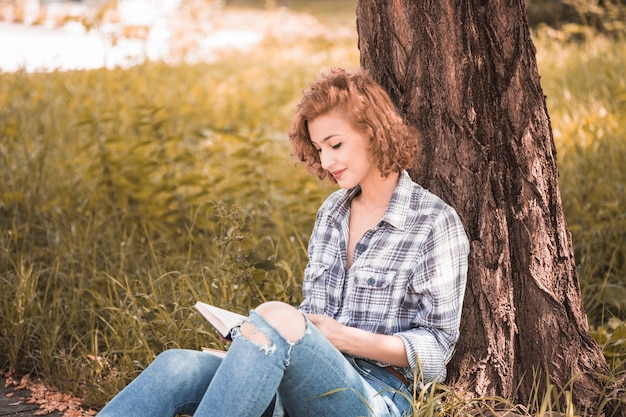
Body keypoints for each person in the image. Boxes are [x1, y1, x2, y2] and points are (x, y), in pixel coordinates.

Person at [96, 68, 469, 417]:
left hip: (375, 395)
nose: (326, 161)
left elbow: (437, 347)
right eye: (319, 148)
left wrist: (341, 337)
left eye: (335, 144)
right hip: (302, 376)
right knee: (177, 365)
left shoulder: (433, 222)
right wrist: (259, 338)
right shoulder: (333, 213)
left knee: (276, 315)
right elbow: (310, 317)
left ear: (372, 131)